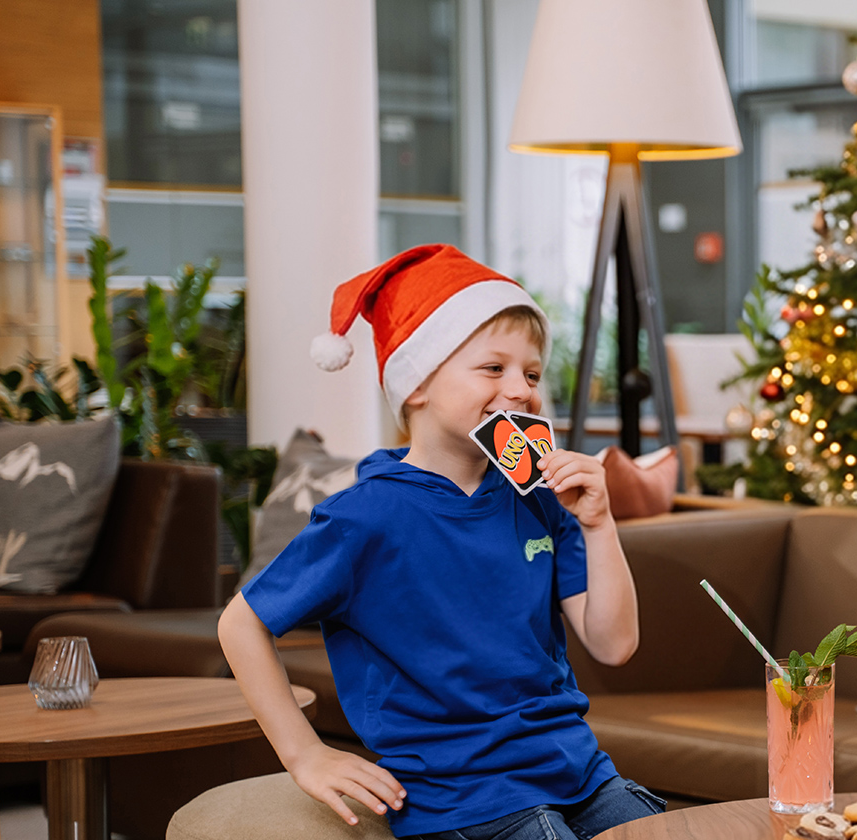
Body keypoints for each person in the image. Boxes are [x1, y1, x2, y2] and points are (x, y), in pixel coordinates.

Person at [218, 244, 661, 840]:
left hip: (579, 774)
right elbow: (240, 624)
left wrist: (600, 525)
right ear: (417, 384)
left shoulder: (540, 498)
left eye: (531, 373)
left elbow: (613, 645)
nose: (522, 390)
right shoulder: (365, 517)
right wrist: (305, 754)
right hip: (462, 797)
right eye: (492, 368)